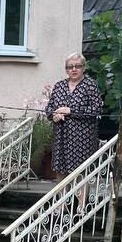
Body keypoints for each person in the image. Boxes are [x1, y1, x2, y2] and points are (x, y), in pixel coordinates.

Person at [45, 52, 105, 182]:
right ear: (66, 69)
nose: (73, 69)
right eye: (70, 67)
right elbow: (49, 109)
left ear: (84, 67)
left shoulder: (90, 85)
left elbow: (96, 109)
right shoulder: (59, 86)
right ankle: (62, 203)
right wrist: (54, 115)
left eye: (77, 66)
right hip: (61, 138)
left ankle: (82, 203)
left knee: (80, 173)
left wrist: (70, 111)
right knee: (60, 171)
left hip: (82, 140)